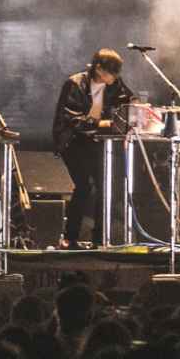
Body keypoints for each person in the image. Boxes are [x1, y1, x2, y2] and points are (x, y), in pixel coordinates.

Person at [51, 48, 134, 248]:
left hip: (97, 141)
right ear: (98, 68)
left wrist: (137, 110)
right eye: (110, 73)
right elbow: (71, 118)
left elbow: (128, 100)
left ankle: (100, 238)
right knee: (84, 186)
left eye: (116, 74)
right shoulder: (75, 83)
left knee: (106, 186)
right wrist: (100, 124)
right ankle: (70, 238)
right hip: (74, 141)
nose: (113, 78)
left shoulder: (115, 84)